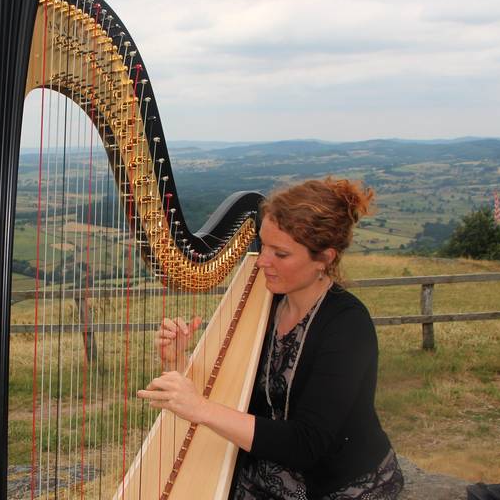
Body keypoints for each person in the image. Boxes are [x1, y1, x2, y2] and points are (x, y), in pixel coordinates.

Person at [137, 177, 404, 500]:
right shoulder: (266, 303)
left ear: (324, 258)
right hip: (266, 473)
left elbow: (307, 445)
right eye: (263, 245)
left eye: (281, 253)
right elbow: (235, 395)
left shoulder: (348, 326)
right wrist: (179, 360)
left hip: (336, 484)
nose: (262, 261)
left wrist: (200, 409)